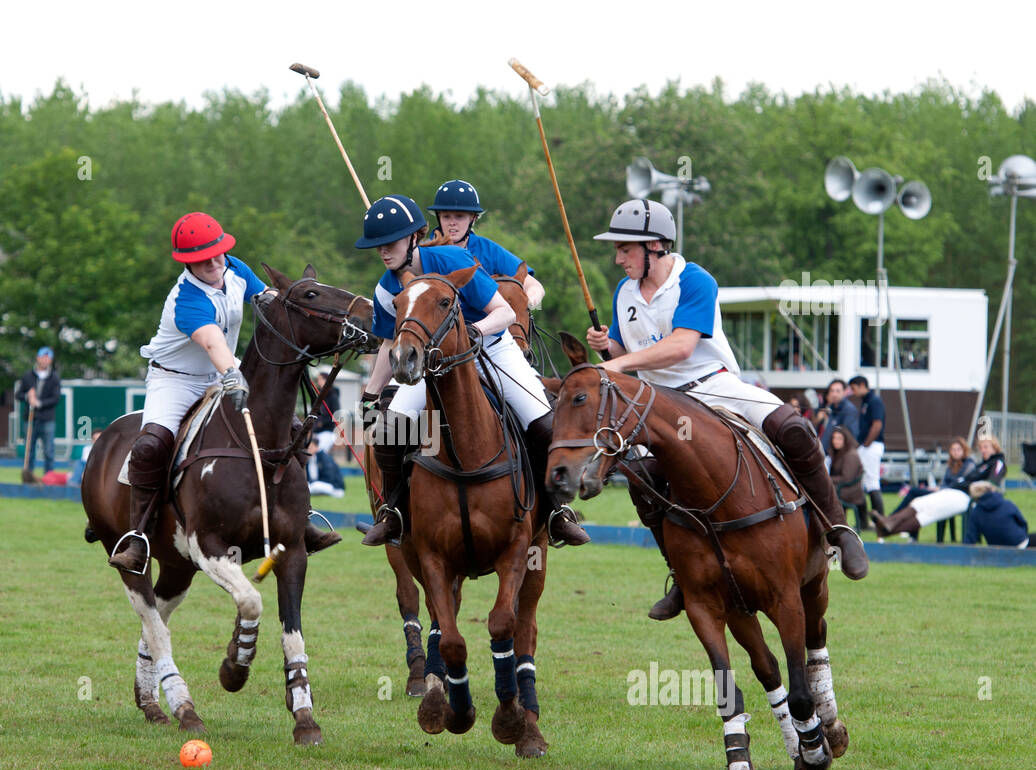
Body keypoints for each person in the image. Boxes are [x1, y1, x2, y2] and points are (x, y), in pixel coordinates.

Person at [585, 198, 867, 620]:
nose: (618, 257)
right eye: (618, 249)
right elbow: (636, 351)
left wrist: (618, 363)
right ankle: (680, 575)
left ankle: (839, 529)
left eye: (626, 248)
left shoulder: (695, 280)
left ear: (656, 247)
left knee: (794, 428)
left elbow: (681, 346)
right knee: (640, 477)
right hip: (658, 403)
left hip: (712, 386)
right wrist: (612, 347)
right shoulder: (624, 293)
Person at [355, 193, 588, 548]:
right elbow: (391, 343)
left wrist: (475, 333)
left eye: (390, 243)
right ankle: (394, 513)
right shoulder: (387, 287)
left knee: (543, 423)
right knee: (390, 430)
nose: (384, 252)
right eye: (378, 247)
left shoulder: (453, 259)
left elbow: (505, 313)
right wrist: (371, 393)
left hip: (493, 350)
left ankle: (556, 511)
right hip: (436, 366)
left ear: (414, 237)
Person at [108, 212, 264, 572]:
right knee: (151, 446)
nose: (213, 263)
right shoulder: (186, 299)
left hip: (222, 369)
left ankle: (299, 517)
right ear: (187, 262)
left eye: (217, 254)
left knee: (281, 422)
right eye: (202, 259)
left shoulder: (235, 268)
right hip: (176, 381)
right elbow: (212, 342)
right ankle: (138, 538)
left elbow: (266, 300)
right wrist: (234, 376)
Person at [427, 179, 546, 311]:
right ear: (439, 217)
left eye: (459, 216)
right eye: (446, 216)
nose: (452, 222)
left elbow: (533, 285)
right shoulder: (425, 252)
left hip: (488, 326)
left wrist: (528, 303)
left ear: (473, 218)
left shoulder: (488, 250)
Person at [873, 434, 1007, 538]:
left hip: (966, 497)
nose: (983, 450)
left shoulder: (997, 462)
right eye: (981, 447)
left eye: (986, 447)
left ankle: (888, 529)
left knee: (928, 513)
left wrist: (976, 489)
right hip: (953, 492)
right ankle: (888, 524)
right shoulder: (982, 464)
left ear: (995, 448)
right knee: (919, 502)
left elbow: (993, 483)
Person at [16, 347, 60, 474]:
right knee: (29, 450)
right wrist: (27, 397)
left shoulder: (54, 378)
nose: (45, 360)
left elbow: (55, 399)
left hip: (47, 420)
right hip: (30, 419)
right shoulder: (28, 376)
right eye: (43, 357)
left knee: (48, 451)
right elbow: (18, 395)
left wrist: (39, 403)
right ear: (38, 358)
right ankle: (28, 476)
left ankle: (49, 477)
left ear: (50, 360)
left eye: (48, 357)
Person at [848, 375, 886, 521]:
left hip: (872, 445)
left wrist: (866, 444)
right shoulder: (866, 401)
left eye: (854, 388)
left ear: (862, 385)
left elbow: (877, 424)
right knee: (861, 483)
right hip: (867, 446)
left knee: (872, 483)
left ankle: (880, 521)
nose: (853, 392)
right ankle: (864, 521)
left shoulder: (874, 401)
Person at [963, 481, 1031, 547]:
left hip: (997, 549)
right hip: (1021, 543)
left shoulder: (976, 512)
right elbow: (1023, 523)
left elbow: (971, 537)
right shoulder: (1007, 504)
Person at [828, 426, 866, 528]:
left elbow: (846, 478)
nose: (835, 441)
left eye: (839, 438)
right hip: (842, 487)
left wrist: (827, 479)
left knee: (824, 492)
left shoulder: (850, 455)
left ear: (846, 439)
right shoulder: (838, 453)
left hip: (850, 491)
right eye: (834, 438)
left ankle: (832, 523)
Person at [812, 378, 859, 456]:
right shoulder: (831, 408)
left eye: (838, 391)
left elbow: (850, 435)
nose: (834, 394)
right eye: (832, 391)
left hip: (839, 455)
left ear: (844, 392)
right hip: (827, 453)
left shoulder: (849, 409)